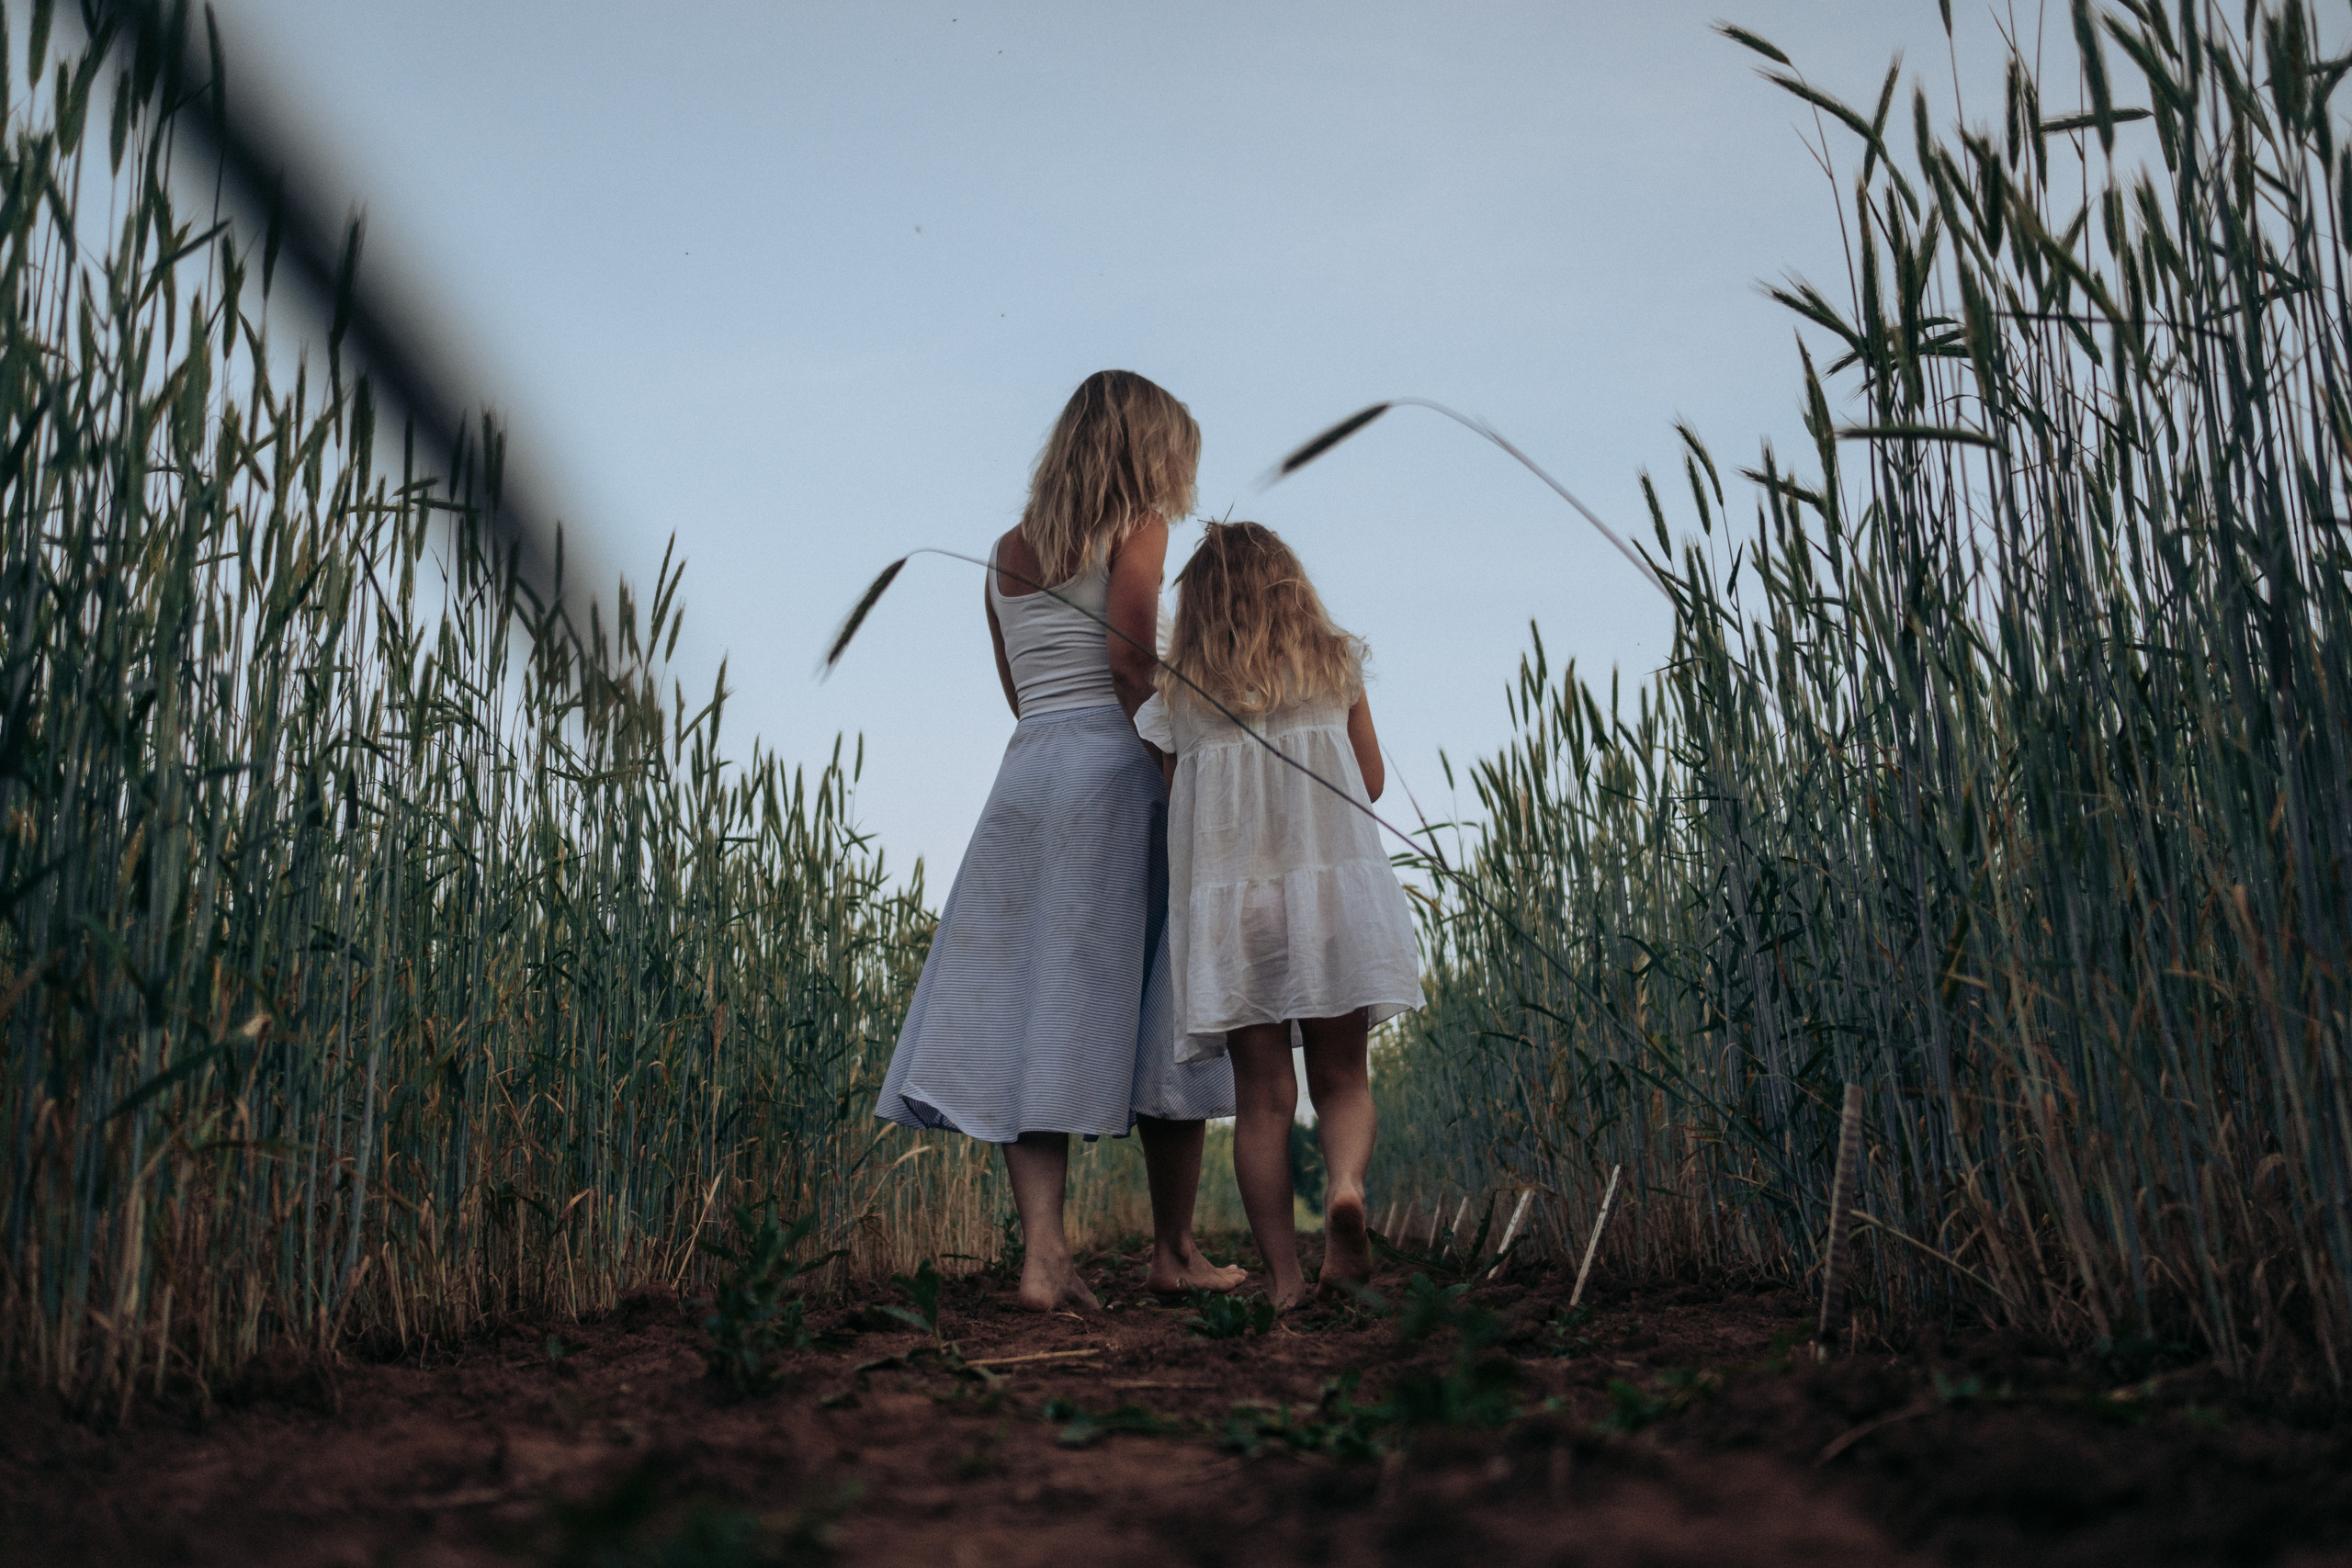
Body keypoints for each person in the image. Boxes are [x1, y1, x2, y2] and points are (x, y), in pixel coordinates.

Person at [876, 370, 1245, 1312]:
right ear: (1147, 447)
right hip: (1114, 769)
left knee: (1028, 1007)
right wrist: (1173, 766)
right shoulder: (1139, 524)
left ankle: (1044, 1256)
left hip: (1026, 774)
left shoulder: (1006, 550)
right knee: (1171, 999)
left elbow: (1017, 686)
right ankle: (1173, 1251)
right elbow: (1127, 660)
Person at [1135, 521, 1424, 1308]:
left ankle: (1286, 1283)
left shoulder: (1178, 694)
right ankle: (1344, 1187)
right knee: (1342, 1078)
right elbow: (1367, 778)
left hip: (1240, 917)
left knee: (1263, 1099)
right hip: (1329, 897)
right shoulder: (1335, 666)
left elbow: (1174, 802)